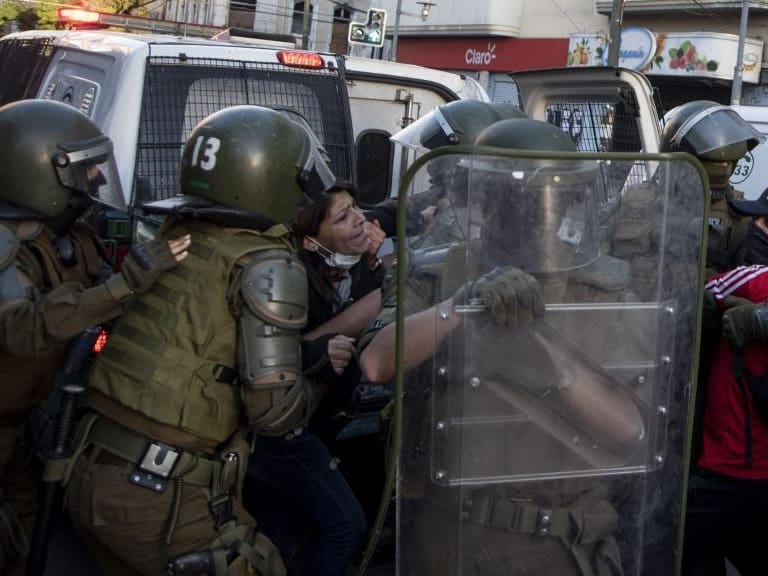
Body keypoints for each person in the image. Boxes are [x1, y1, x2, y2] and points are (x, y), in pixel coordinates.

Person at [359, 117, 706, 575]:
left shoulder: (603, 290)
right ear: (484, 198)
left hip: (562, 542)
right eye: (509, 198)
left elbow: (633, 431)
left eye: (549, 200)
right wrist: (460, 305)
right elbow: (376, 362)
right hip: (453, 535)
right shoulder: (435, 273)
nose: (533, 213)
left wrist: (554, 371)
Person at [60, 104, 337, 576]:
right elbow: (272, 414)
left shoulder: (174, 233)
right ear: (271, 180)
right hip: (161, 489)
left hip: (87, 463)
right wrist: (322, 379)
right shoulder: (266, 264)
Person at [0, 99, 190, 576]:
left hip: (26, 424)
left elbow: (100, 305)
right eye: (86, 171)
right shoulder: (8, 246)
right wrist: (123, 284)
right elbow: (24, 328)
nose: (98, 181)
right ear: (40, 172)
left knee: (23, 542)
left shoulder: (75, 237)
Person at [681, 188, 768, 576]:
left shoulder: (752, 280)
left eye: (764, 223)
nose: (754, 228)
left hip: (728, 474)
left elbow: (693, 296)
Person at [660, 100, 764, 276]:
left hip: (719, 300)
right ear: (681, 161)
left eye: (729, 163)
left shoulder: (742, 213)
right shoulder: (644, 204)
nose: (723, 170)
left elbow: (753, 279)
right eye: (713, 163)